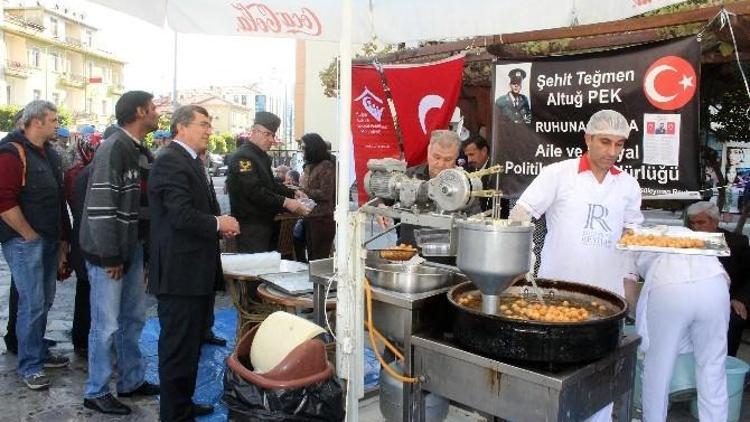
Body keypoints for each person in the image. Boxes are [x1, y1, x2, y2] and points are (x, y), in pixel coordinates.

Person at [510, 109, 643, 422]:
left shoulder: (628, 186)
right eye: (605, 142)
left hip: (608, 301)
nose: (612, 151)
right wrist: (525, 258)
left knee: (599, 386)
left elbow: (632, 238)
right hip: (557, 295)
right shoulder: (559, 173)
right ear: (588, 139)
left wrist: (631, 285)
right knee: (553, 378)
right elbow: (521, 213)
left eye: (620, 144)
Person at [148, 105, 240, 421]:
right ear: (181, 127)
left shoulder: (188, 160)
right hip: (179, 275)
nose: (209, 130)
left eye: (210, 124)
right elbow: (181, 215)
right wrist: (218, 223)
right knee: (177, 350)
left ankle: (182, 405)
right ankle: (174, 414)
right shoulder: (170, 161)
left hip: (193, 273)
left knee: (189, 350)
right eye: (203, 124)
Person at [78, 91, 160, 415]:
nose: (156, 113)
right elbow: (100, 207)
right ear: (139, 112)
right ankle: (96, 391)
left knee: (133, 318)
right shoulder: (114, 148)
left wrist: (142, 255)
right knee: (106, 324)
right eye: (152, 108)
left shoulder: (139, 151)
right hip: (109, 254)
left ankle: (131, 380)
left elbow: (142, 207)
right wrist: (110, 256)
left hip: (132, 250)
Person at [623, 226, 729, 422]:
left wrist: (633, 313)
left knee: (658, 368)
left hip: (668, 284)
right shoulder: (686, 234)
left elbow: (628, 297)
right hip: (714, 284)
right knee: (712, 366)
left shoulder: (631, 241)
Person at [0, 100, 71, 390]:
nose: (57, 125)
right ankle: (30, 365)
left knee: (44, 301)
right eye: (53, 120)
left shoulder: (50, 154)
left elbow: (58, 201)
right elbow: (4, 201)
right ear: (36, 122)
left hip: (48, 240)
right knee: (32, 304)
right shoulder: (12, 153)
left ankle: (37, 350)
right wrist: (28, 234)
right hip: (24, 242)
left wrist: (63, 241)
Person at [226, 111, 309, 252]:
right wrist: (287, 202)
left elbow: (270, 185)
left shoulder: (260, 156)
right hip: (251, 226)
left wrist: (293, 193)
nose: (271, 139)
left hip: (266, 224)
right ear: (254, 132)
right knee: (255, 269)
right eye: (267, 134)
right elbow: (254, 191)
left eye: (273, 135)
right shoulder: (243, 157)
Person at [686, 201, 750, 357]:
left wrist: (740, 299)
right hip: (693, 297)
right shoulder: (686, 241)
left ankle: (726, 362)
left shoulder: (737, 242)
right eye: (693, 223)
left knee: (733, 319)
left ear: (715, 222)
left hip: (729, 299)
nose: (696, 227)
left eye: (701, 222)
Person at [64, 131, 102, 356]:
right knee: (89, 292)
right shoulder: (88, 174)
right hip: (89, 240)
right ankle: (85, 340)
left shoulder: (76, 172)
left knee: (84, 289)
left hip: (81, 238)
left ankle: (81, 338)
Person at [299, 133, 336, 260]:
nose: (301, 150)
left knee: (319, 259)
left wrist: (303, 190)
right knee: (311, 257)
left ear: (312, 148)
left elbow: (326, 193)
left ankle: (318, 281)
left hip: (322, 218)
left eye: (304, 147)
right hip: (309, 217)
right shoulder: (309, 166)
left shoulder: (326, 165)